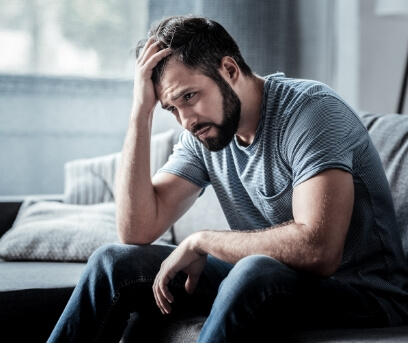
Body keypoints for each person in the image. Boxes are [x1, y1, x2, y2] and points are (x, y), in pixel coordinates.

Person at [47, 15, 408, 343]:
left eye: (190, 96)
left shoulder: (312, 113)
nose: (185, 119)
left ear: (230, 69)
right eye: (172, 108)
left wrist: (203, 241)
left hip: (365, 294)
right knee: (112, 262)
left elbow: (318, 251)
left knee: (252, 271)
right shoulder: (202, 133)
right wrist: (139, 112)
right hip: (263, 280)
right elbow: (137, 229)